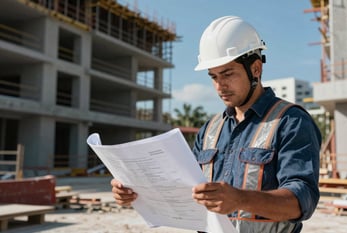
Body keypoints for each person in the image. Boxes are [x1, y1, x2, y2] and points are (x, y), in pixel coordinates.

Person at [111, 15, 321, 233]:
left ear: (256, 69)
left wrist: (241, 199)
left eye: (228, 74)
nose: (220, 86)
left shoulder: (291, 121)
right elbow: (185, 190)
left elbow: (302, 200)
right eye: (213, 77)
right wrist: (137, 192)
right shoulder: (210, 130)